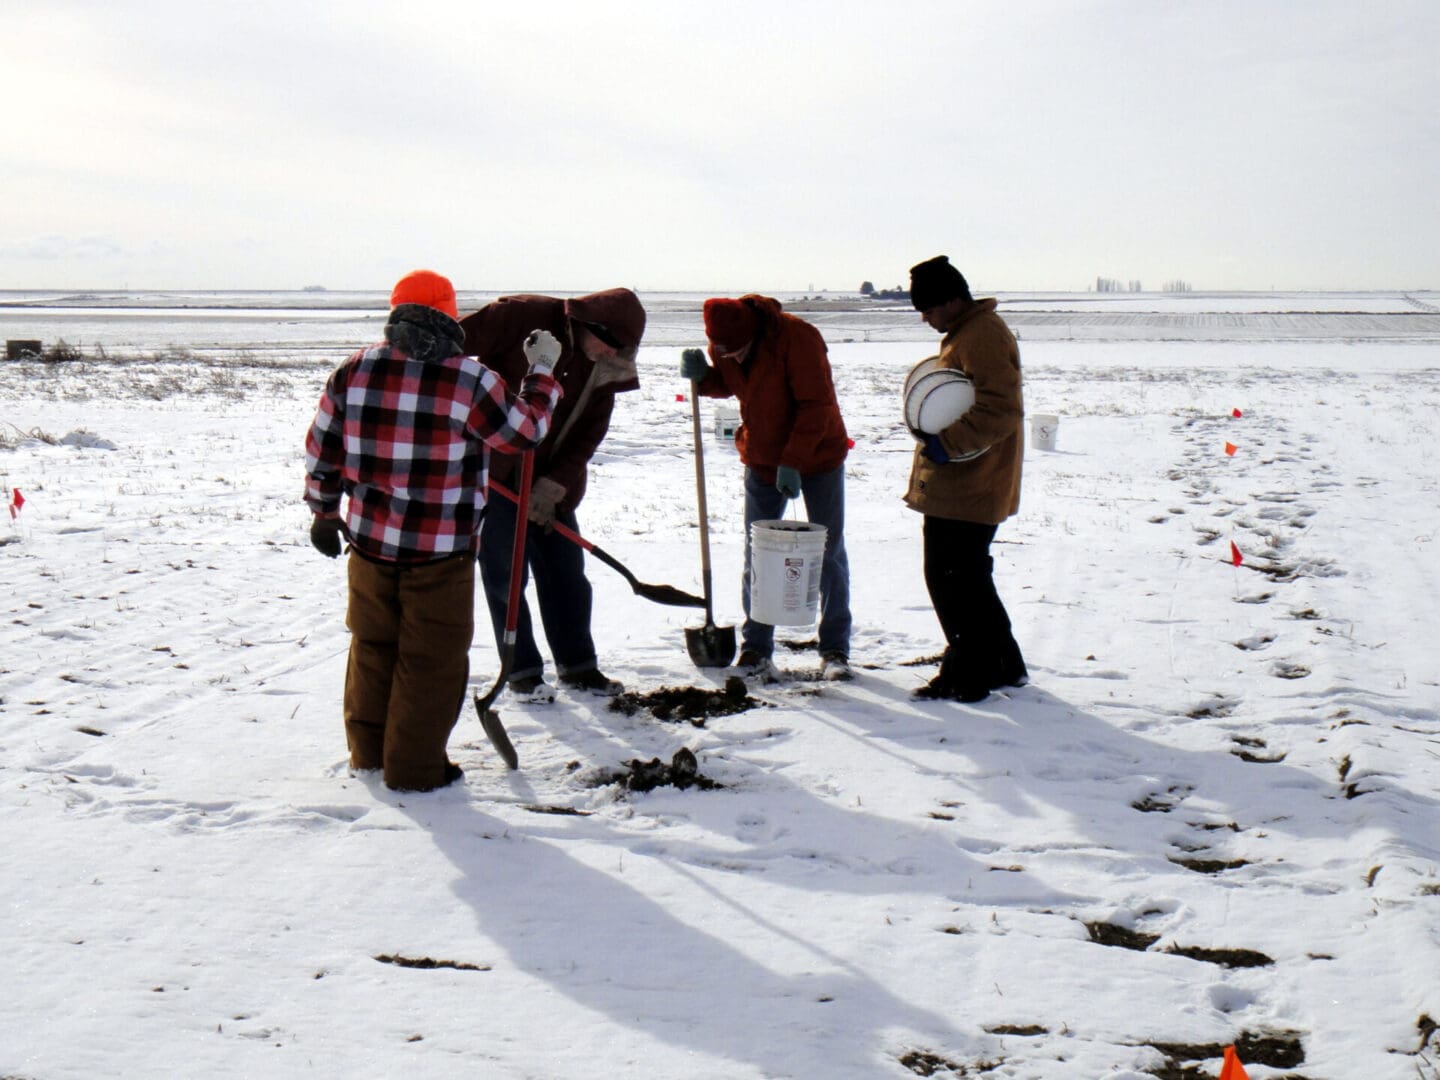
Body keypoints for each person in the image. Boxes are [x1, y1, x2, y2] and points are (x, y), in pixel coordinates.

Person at [304, 269, 561, 791]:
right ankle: (416, 772)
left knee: (373, 648)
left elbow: (323, 446)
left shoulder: (355, 369)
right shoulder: (469, 378)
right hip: (439, 553)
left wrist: (324, 513)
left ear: (396, 311)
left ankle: (369, 757)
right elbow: (526, 430)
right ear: (450, 314)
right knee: (431, 660)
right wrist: (541, 372)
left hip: (368, 545)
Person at [459, 289, 646, 701]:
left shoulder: (606, 362)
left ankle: (578, 666)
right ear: (589, 325)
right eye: (607, 346)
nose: (606, 356)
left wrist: (556, 483)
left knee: (567, 576)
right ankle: (522, 671)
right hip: (498, 476)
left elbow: (590, 430)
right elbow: (451, 345)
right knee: (505, 578)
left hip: (552, 483)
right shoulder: (520, 316)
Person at [680, 294, 852, 681]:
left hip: (819, 455)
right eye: (724, 352)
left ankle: (835, 649)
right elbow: (729, 382)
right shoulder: (725, 342)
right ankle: (757, 647)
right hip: (761, 457)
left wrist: (792, 461)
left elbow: (817, 406)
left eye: (737, 351)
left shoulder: (798, 338)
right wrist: (704, 378)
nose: (732, 357)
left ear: (753, 333)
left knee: (828, 550)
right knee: (757, 554)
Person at [904, 255, 1028, 703]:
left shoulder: (982, 337)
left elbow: (1001, 409)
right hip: (967, 484)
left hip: (971, 485)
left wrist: (948, 444)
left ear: (954, 300)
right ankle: (1003, 664)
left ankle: (969, 674)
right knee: (969, 578)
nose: (924, 318)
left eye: (930, 309)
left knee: (951, 579)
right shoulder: (968, 333)